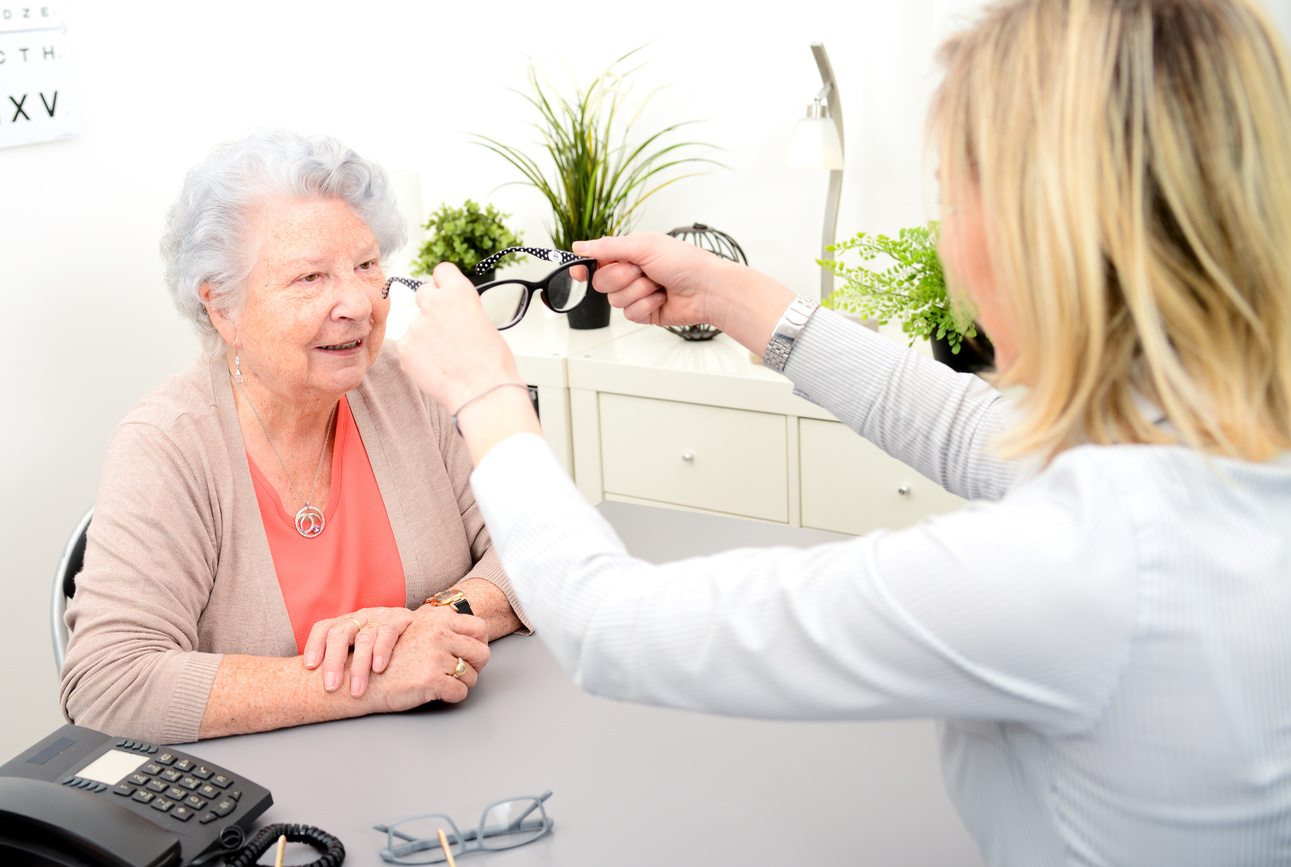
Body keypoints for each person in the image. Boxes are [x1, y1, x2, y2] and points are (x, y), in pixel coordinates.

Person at [395, 0, 1291, 863]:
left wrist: (484, 394)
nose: (945, 237)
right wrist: (733, 299)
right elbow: (975, 429)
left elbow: (611, 627)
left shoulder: (1079, 564)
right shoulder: (1216, 452)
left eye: (951, 194)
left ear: (1036, 228)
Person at [61, 130, 529, 745]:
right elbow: (109, 685)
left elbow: (532, 550)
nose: (358, 304)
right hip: (271, 812)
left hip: (457, 750)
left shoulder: (406, 383)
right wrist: (365, 682)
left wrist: (437, 619)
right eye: (310, 278)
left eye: (366, 265)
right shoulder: (167, 445)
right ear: (222, 309)